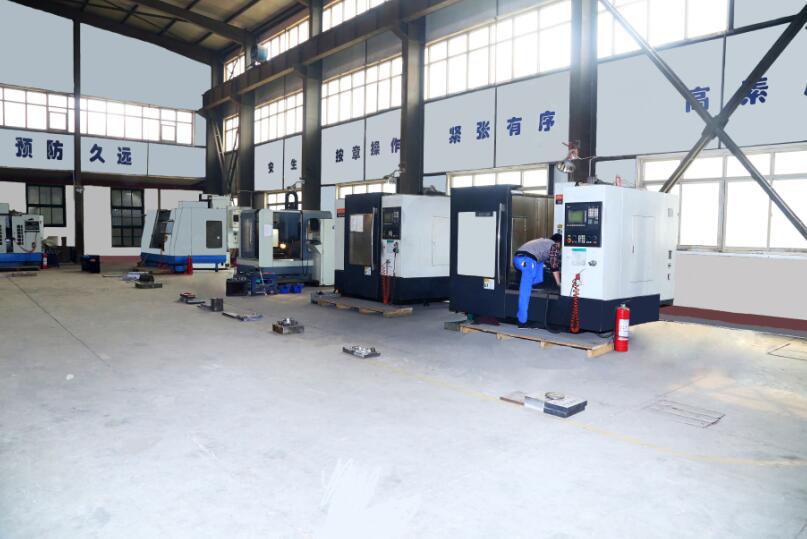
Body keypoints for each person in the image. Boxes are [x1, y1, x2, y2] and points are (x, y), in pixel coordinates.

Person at [513, 233, 562, 327]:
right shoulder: (554, 245)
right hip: (527, 260)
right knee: (525, 291)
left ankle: (530, 285)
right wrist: (559, 283)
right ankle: (522, 321)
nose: (559, 249)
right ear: (558, 243)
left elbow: (544, 260)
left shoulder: (543, 242)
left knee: (539, 270)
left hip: (518, 259)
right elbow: (554, 265)